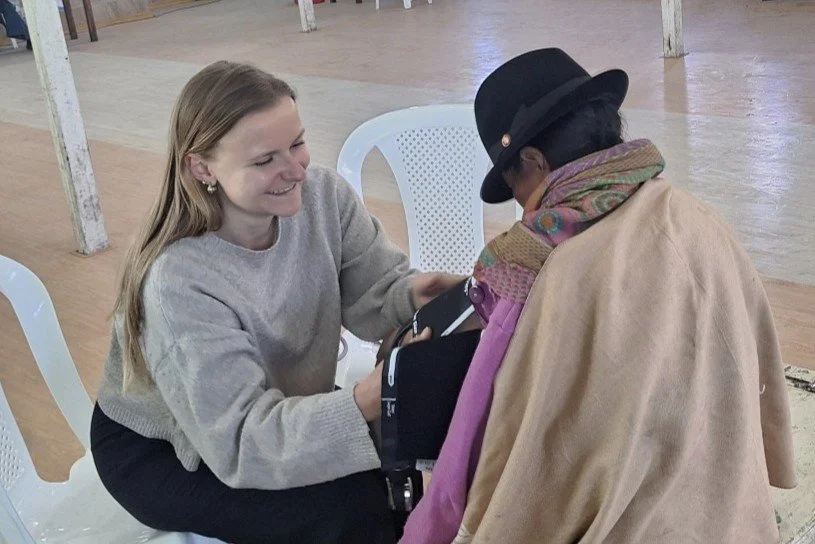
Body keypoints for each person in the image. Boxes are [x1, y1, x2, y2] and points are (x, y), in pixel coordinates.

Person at [402, 48, 797, 543]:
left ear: (533, 161)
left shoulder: (554, 272)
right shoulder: (696, 215)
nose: (524, 211)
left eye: (516, 187)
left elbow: (521, 454)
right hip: (730, 510)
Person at [90, 60, 459, 544]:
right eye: (265, 160)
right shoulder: (179, 280)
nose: (295, 170)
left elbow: (375, 293)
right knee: (347, 510)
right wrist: (366, 400)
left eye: (298, 143)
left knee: (392, 478)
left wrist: (414, 295)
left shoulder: (323, 195)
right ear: (202, 168)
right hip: (167, 449)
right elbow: (242, 442)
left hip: (272, 410)